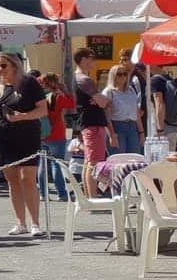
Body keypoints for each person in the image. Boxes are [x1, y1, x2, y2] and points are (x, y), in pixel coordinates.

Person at [0, 53, 47, 235]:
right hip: (3, 140)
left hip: (27, 137)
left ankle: (35, 223)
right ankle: (20, 222)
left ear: (14, 66)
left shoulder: (29, 83)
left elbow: (43, 109)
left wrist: (22, 117)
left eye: (3, 66)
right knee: (13, 182)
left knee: (27, 179)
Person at [73, 47, 110, 199]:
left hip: (86, 121)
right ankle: (93, 197)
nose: (94, 61)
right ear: (83, 59)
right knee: (94, 162)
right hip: (92, 122)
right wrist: (104, 99)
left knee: (89, 161)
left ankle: (89, 197)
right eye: (92, 57)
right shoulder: (84, 80)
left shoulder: (77, 78)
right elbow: (102, 102)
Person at [37, 73, 74, 201]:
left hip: (42, 134)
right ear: (53, 82)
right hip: (56, 133)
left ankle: (42, 193)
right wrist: (65, 90)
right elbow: (71, 104)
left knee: (42, 164)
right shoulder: (56, 96)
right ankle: (62, 193)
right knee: (56, 164)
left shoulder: (39, 97)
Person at [102, 64, 144, 154]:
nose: (123, 76)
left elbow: (136, 113)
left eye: (125, 74)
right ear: (113, 76)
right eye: (119, 74)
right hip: (117, 127)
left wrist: (141, 132)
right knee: (118, 160)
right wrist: (111, 135)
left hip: (133, 128)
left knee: (134, 159)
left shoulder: (131, 90)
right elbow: (106, 117)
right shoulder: (108, 92)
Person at [149, 62, 177, 149]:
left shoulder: (155, 80)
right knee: (170, 158)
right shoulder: (169, 79)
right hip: (173, 126)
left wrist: (160, 129)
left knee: (158, 160)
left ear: (153, 64)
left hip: (161, 127)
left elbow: (159, 104)